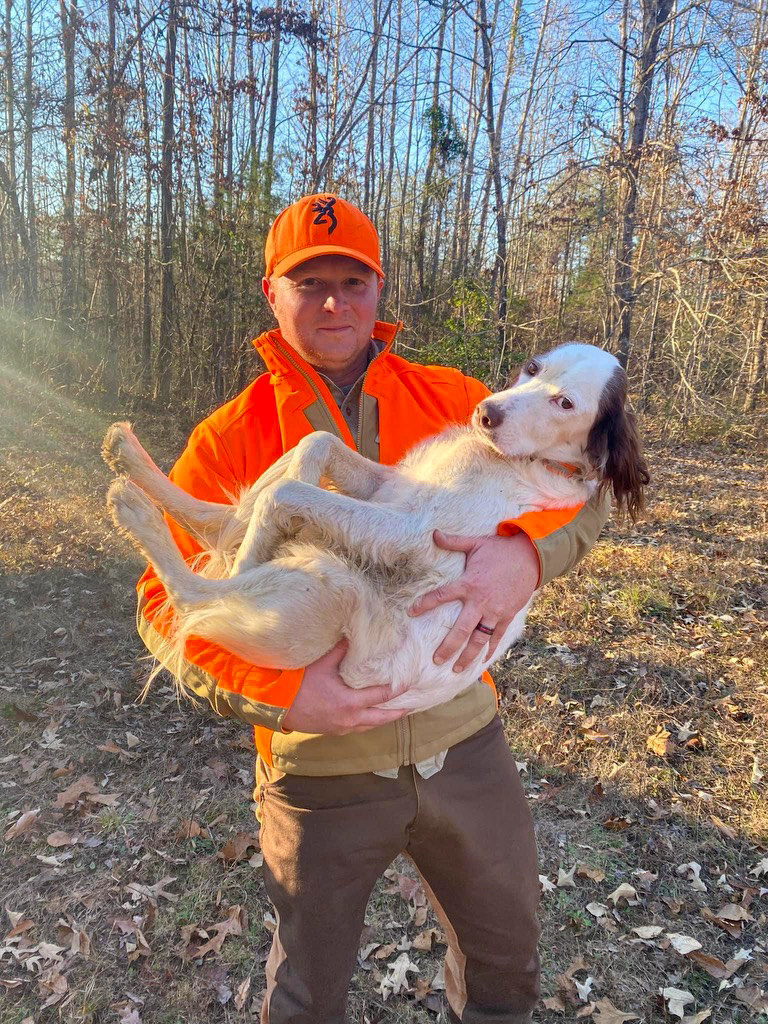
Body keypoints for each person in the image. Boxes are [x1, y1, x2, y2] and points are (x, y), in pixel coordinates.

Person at [137, 194, 608, 1024]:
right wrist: (277, 697)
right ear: (270, 294)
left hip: (465, 743)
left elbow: (594, 492)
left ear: (380, 289)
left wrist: (529, 556)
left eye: (352, 281)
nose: (333, 302)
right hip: (320, 766)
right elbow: (160, 602)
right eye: (308, 282)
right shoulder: (227, 436)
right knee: (307, 996)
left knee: (507, 966)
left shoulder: (462, 400)